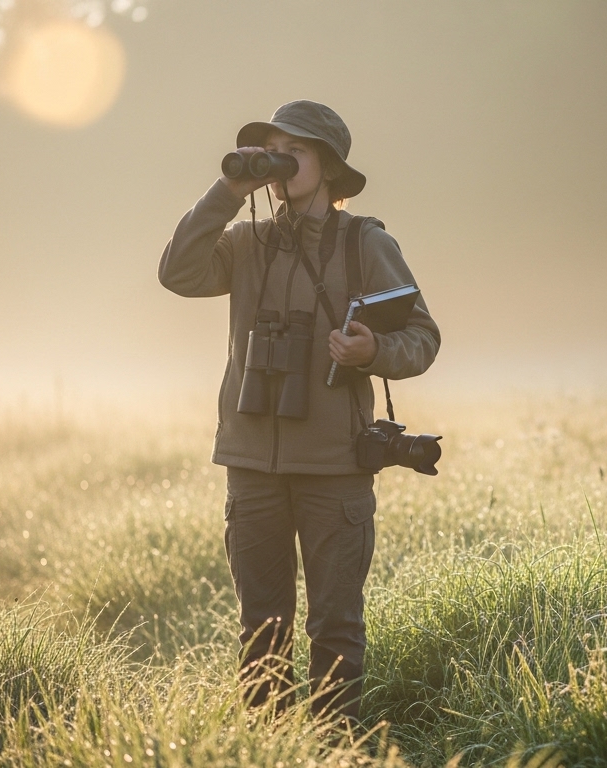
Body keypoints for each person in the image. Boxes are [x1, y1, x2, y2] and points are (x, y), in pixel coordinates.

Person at [158, 100, 439, 722]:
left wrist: (373, 350)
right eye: (273, 149)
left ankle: (339, 754)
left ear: (331, 167)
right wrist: (231, 189)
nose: (280, 161)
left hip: (335, 468)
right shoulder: (248, 240)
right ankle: (268, 751)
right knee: (261, 631)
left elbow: (423, 338)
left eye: (296, 151)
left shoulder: (365, 241)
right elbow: (177, 273)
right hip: (251, 466)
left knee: (335, 629)